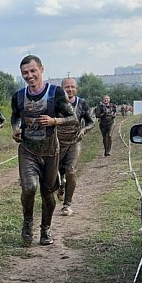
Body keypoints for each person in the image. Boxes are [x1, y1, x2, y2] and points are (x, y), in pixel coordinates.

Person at [10, 55, 78, 246]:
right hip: (28, 150)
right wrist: (15, 129)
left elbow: (73, 118)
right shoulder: (18, 96)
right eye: (25, 73)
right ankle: (27, 222)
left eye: (33, 71)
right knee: (29, 188)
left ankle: (45, 229)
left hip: (50, 151)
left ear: (41, 69)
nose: (29, 76)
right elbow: (15, 117)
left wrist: (54, 121)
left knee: (48, 193)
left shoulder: (55, 93)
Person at [55, 78, 94, 216]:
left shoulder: (82, 103)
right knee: (55, 172)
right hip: (57, 142)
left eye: (72, 87)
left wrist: (84, 130)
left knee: (70, 171)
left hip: (74, 142)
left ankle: (67, 205)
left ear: (76, 89)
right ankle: (60, 186)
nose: (70, 89)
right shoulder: (56, 102)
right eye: (67, 87)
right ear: (62, 89)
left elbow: (91, 122)